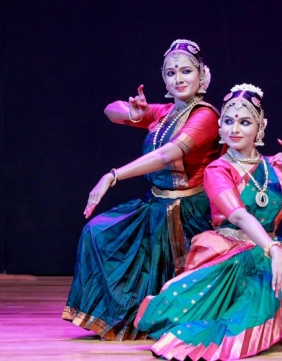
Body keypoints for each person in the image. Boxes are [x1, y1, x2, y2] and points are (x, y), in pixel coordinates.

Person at [134, 83, 282, 360]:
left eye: (244, 122)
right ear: (220, 127)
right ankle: (264, 319)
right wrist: (273, 251)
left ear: (260, 127)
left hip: (274, 252)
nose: (235, 129)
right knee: (237, 310)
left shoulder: (277, 165)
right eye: (228, 121)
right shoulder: (218, 169)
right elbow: (238, 215)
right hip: (231, 256)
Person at [62, 40, 221, 341]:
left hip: (189, 214)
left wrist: (112, 176)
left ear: (202, 75)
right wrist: (134, 113)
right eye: (171, 73)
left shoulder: (205, 116)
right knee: (97, 232)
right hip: (156, 206)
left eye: (186, 71)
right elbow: (111, 110)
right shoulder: (166, 112)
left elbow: (166, 155)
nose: (179, 79)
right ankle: (127, 317)